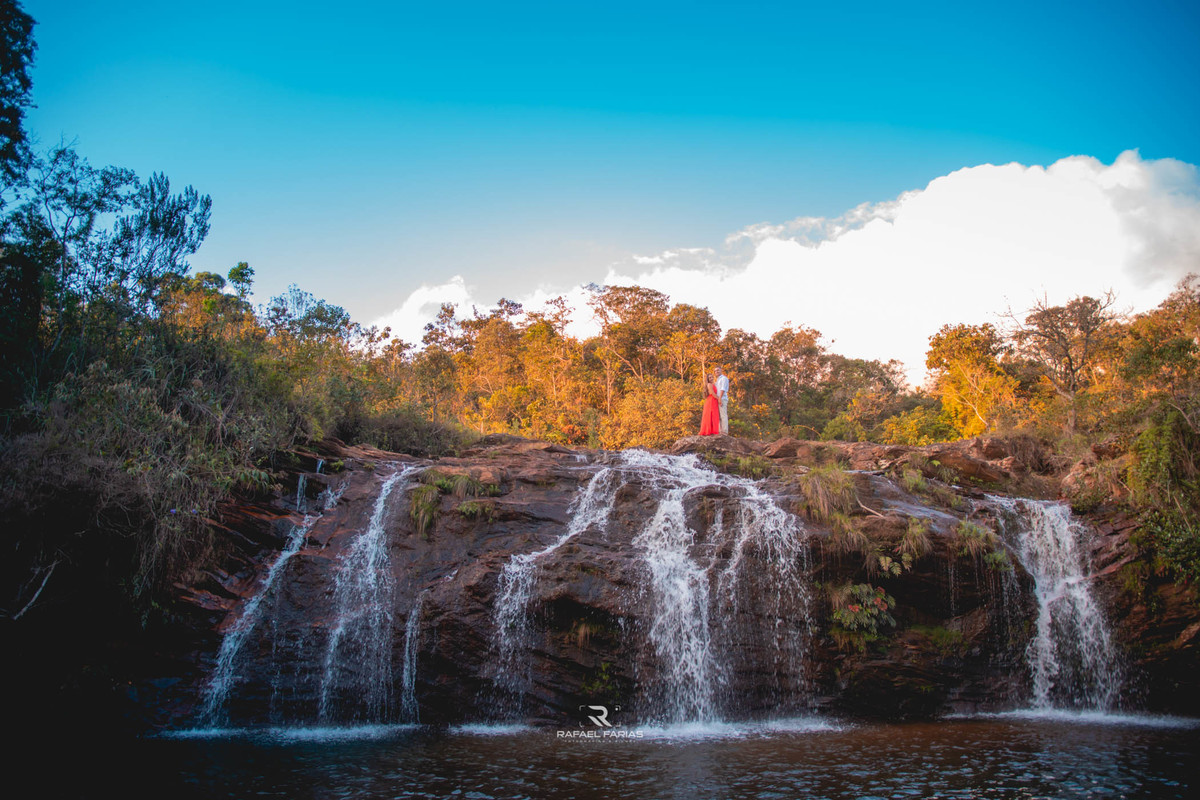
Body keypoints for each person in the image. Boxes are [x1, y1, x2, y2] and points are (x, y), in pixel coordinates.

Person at [715, 367, 730, 435]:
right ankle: (720, 431)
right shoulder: (718, 380)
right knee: (719, 415)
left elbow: (723, 389)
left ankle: (724, 431)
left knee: (723, 415)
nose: (716, 371)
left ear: (721, 370)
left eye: (718, 370)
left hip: (722, 399)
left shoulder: (724, 378)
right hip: (718, 399)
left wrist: (720, 398)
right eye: (715, 371)